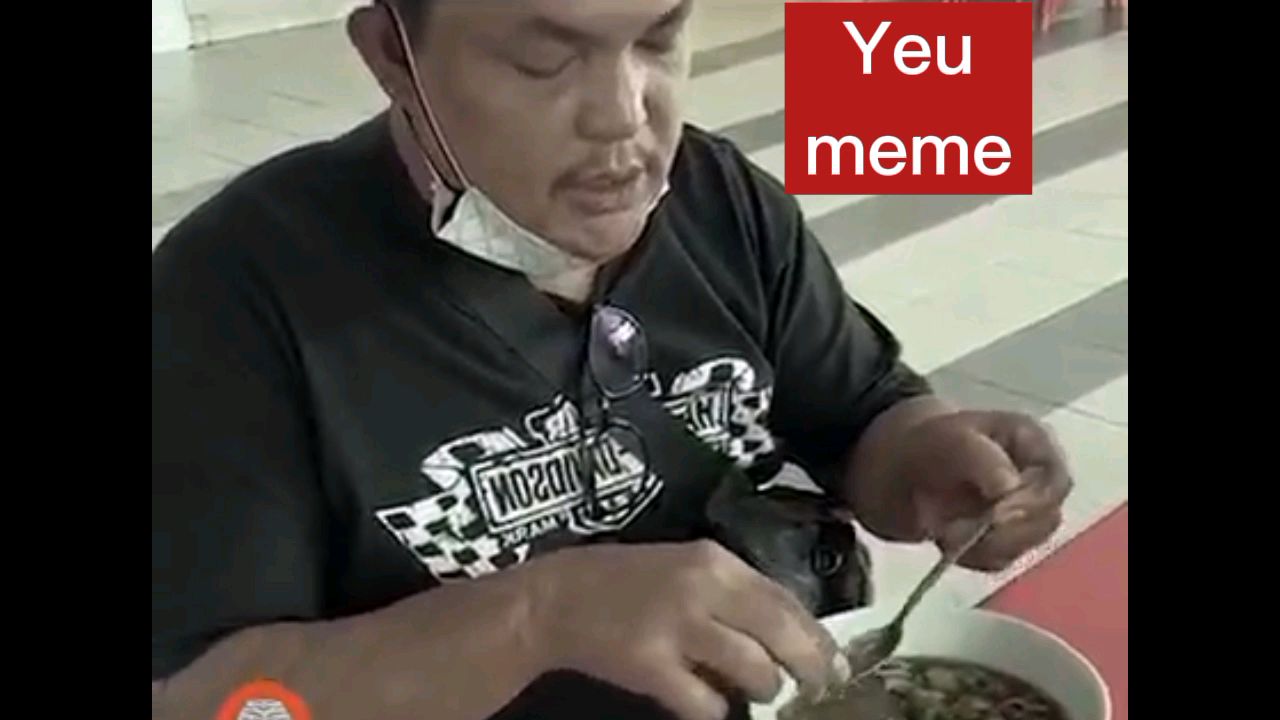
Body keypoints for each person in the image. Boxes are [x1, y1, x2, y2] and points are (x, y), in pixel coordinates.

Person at [151, 1, 1072, 719]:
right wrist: (533, 620)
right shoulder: (236, 297)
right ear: (393, 55)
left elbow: (860, 412)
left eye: (659, 39)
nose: (624, 116)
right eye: (544, 61)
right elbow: (210, 702)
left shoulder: (724, 204)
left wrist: (927, 461)